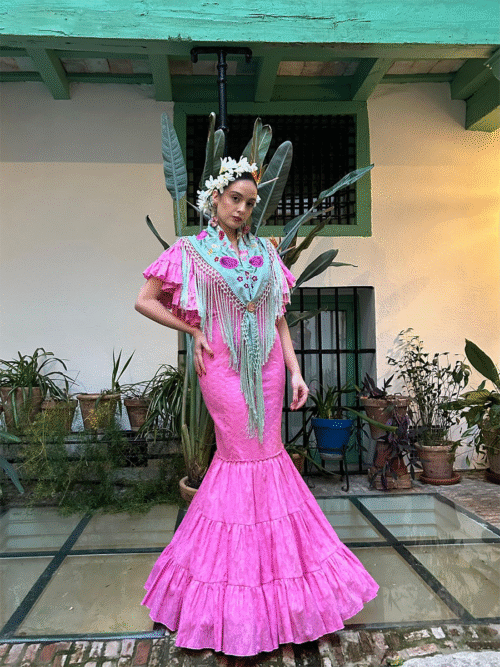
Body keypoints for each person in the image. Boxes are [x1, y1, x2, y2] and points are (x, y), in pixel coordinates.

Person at [135, 157, 378, 657]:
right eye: (234, 199)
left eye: (250, 202)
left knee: (270, 458)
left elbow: (278, 316)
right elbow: (146, 300)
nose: (242, 209)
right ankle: (231, 588)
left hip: (268, 369)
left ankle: (280, 581)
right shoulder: (190, 252)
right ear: (215, 199)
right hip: (221, 368)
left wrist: (295, 370)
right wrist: (194, 329)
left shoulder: (266, 252)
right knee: (239, 459)